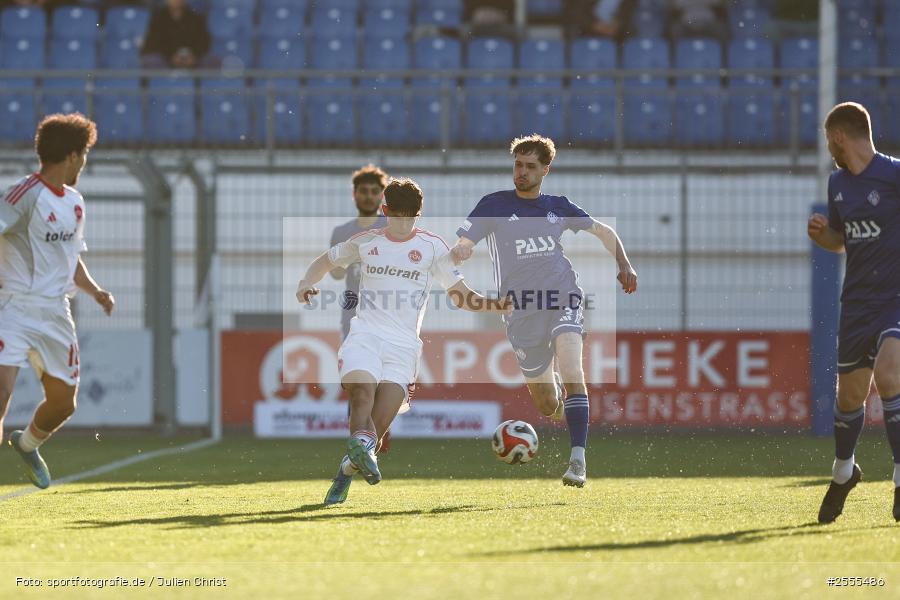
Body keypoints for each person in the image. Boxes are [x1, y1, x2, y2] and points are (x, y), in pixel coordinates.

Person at [297, 178, 511, 505]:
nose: (404, 223)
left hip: (403, 349)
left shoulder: (434, 248)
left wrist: (495, 305)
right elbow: (326, 260)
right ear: (385, 212)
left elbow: (460, 296)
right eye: (398, 216)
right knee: (361, 393)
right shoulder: (367, 241)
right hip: (364, 336)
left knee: (375, 430)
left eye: (410, 217)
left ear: (419, 215)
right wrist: (305, 283)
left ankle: (346, 469)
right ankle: (357, 452)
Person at [450, 134, 637, 488]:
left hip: (562, 296)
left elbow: (604, 230)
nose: (521, 172)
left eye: (530, 167)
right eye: (517, 165)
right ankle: (567, 410)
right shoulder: (494, 204)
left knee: (572, 367)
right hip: (520, 312)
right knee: (547, 404)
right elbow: (465, 240)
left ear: (545, 170)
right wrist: (461, 250)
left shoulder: (558, 206)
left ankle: (578, 460)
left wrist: (624, 264)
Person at [0, 113, 115, 489]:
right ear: (71, 155)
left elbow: (70, 257)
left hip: (55, 313)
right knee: (1, 390)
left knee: (64, 403)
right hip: (13, 306)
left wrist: (95, 290)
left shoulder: (76, 202)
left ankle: (28, 444)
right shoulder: (23, 194)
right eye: (83, 154)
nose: (84, 162)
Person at [807, 102, 900, 523]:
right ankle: (844, 472)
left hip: (894, 300)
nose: (830, 149)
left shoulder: (895, 174)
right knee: (849, 396)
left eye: (830, 141)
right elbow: (841, 241)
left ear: (841, 136)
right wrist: (823, 234)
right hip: (857, 303)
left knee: (889, 374)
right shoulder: (837, 184)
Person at [329, 165, 389, 342]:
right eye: (363, 191)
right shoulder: (341, 232)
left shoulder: (394, 228)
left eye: (374, 191)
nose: (369, 196)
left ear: (382, 195)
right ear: (354, 194)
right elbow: (336, 274)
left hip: (390, 317)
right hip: (354, 318)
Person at [140, 0, 212, 69]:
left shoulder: (196, 18)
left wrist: (194, 56)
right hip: (165, 57)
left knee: (210, 61)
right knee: (152, 60)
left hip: (192, 57)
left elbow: (203, 41)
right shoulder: (158, 18)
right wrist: (170, 56)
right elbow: (154, 43)